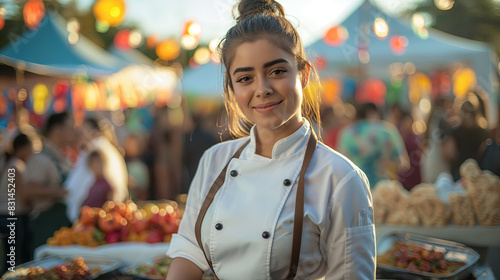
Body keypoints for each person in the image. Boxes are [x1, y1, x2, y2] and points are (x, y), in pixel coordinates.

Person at [166, 0, 375, 279]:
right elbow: (189, 253)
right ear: (231, 88)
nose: (262, 89)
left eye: (276, 72)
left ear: (303, 74)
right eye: (245, 78)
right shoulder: (214, 160)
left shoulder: (341, 178)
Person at [64, 117, 128, 222]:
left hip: (101, 215)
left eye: (84, 130)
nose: (81, 135)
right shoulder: (93, 151)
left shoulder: (100, 151)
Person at [337, 102, 409, 187]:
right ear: (373, 113)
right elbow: (404, 164)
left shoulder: (347, 132)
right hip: (383, 189)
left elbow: (340, 165)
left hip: (357, 186)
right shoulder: (387, 130)